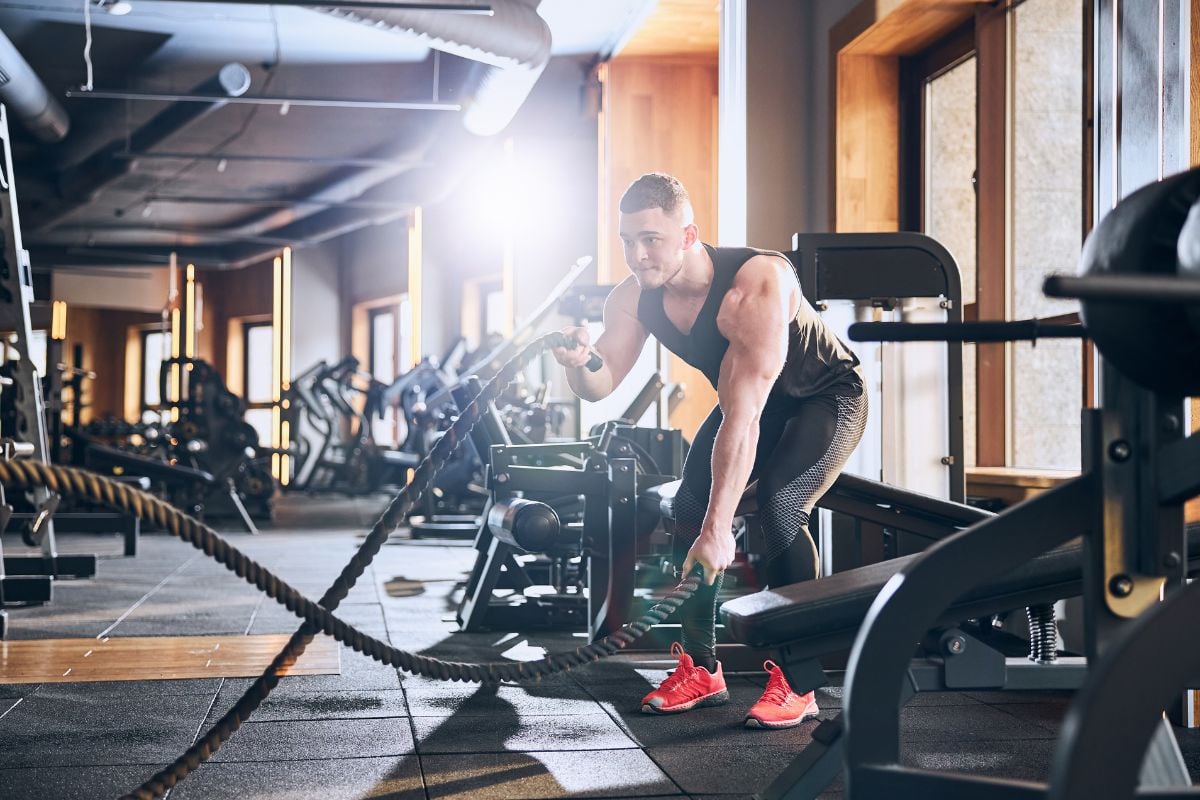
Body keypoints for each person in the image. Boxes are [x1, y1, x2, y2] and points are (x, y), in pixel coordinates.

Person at [552, 173, 867, 729]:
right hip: (752, 404)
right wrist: (580, 364)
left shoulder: (755, 283)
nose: (636, 253)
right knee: (688, 508)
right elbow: (600, 385)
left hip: (825, 398)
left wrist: (722, 528)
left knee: (780, 505)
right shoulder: (633, 298)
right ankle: (701, 669)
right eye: (627, 239)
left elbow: (743, 423)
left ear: (689, 234)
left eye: (651, 238)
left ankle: (800, 680)